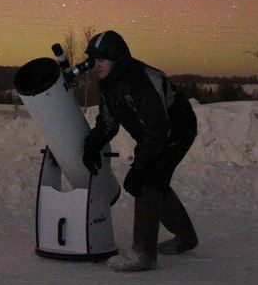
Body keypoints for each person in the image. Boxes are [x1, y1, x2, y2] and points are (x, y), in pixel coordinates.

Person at [81, 30, 198, 272]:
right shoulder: (109, 82)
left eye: (101, 59)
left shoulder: (140, 79)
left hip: (176, 130)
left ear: (117, 58)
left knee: (148, 181)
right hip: (154, 134)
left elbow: (158, 130)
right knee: (157, 182)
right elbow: (108, 121)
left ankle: (143, 254)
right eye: (94, 60)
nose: (96, 65)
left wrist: (139, 166)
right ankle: (186, 238)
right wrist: (93, 144)